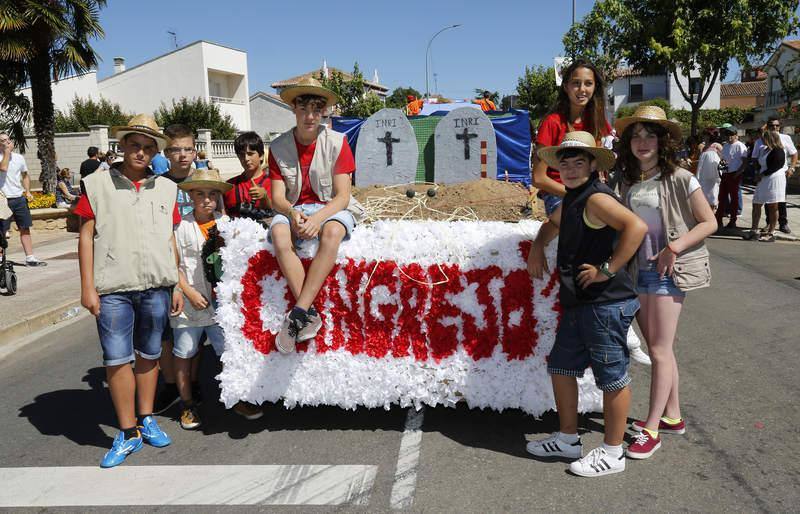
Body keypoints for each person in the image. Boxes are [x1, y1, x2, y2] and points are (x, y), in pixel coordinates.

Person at [526, 131, 647, 477]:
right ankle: (567, 439)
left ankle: (612, 453)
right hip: (582, 303)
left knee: (611, 378)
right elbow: (552, 224)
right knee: (561, 367)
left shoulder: (595, 198)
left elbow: (635, 227)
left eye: (580, 161)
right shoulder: (576, 198)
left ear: (593, 165)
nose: (571, 168)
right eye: (565, 162)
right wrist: (537, 245)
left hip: (605, 303)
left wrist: (607, 269)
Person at [75, 114, 183, 468]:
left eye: (148, 147)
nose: (141, 152)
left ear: (155, 151)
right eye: (134, 145)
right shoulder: (97, 183)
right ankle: (127, 431)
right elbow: (86, 235)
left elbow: (171, 238)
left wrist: (177, 281)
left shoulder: (167, 187)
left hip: (156, 285)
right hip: (113, 288)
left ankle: (147, 417)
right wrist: (88, 287)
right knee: (117, 358)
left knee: (150, 355)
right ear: (121, 147)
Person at [614, 106, 717, 460]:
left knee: (658, 350)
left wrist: (675, 246)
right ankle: (672, 415)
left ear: (662, 141)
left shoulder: (681, 178)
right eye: (637, 135)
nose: (643, 142)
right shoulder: (627, 181)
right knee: (661, 348)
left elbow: (709, 222)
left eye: (650, 135)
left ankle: (651, 429)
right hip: (637, 272)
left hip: (667, 273)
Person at [268, 76, 365, 353]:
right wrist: (292, 212)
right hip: (294, 208)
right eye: (303, 109)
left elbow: (343, 197)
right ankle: (309, 315)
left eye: (316, 109)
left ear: (323, 111)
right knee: (278, 232)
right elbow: (277, 198)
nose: (310, 116)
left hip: (329, 206)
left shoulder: (337, 142)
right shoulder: (277, 147)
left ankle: (298, 313)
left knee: (333, 232)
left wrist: (318, 218)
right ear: (294, 110)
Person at [171, 168, 231, 430]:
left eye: (212, 194)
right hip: (190, 302)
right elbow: (172, 265)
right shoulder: (180, 228)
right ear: (191, 197)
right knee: (185, 352)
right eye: (200, 194)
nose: (207, 200)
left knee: (227, 351)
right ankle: (187, 404)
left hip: (221, 305)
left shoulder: (227, 226)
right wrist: (188, 291)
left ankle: (235, 395)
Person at [152, 124, 198, 416]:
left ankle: (193, 382)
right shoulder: (158, 184)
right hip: (167, 265)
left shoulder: (205, 181)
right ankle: (170, 383)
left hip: (197, 267)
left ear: (195, 150)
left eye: (187, 149)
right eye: (175, 149)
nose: (182, 155)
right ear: (166, 152)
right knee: (167, 332)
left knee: (196, 330)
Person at [532, 59, 612, 217]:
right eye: (576, 83)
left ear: (595, 87)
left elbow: (599, 166)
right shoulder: (552, 123)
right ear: (565, 86)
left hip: (592, 192)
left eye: (588, 83)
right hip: (559, 194)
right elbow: (538, 178)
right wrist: (577, 195)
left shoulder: (597, 120)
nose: (582, 89)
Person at [0, 132, 46, 266]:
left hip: (19, 198)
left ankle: (30, 257)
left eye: (8, 139)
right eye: (3, 140)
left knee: (25, 227)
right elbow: (3, 168)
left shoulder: (19, 158)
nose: (7, 142)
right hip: (3, 199)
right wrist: (7, 152)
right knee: (2, 230)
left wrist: (27, 191)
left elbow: (25, 175)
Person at [752, 117, 797, 234]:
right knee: (768, 202)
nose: (775, 128)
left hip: (779, 173)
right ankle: (769, 223)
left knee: (780, 201)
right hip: (765, 174)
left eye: (777, 125)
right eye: (772, 126)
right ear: (768, 126)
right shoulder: (761, 140)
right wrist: (757, 172)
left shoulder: (786, 138)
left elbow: (794, 153)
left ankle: (783, 223)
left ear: (780, 126)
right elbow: (755, 158)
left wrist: (792, 168)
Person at [745, 129, 786, 242]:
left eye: (764, 138)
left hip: (774, 179)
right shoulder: (764, 149)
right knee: (756, 203)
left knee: (773, 206)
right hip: (763, 179)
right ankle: (754, 230)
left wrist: (762, 174)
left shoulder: (778, 151)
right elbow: (759, 162)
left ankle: (771, 232)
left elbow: (776, 166)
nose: (762, 140)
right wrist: (758, 172)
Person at [223, 132, 272, 218]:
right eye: (242, 155)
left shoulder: (274, 183)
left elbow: (280, 212)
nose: (246, 159)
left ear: (261, 156)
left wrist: (265, 198)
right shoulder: (229, 186)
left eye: (250, 154)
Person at [717, 124, 748, 229]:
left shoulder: (740, 146)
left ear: (736, 135)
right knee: (722, 198)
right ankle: (719, 219)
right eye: (727, 134)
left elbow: (744, 162)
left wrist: (737, 173)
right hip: (726, 174)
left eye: (731, 134)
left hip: (734, 174)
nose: (729, 136)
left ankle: (733, 220)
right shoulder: (725, 146)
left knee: (734, 198)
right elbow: (724, 160)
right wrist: (722, 171)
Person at [696, 143, 723, 211]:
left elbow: (699, 168)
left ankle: (710, 209)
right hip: (713, 177)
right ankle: (713, 208)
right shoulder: (715, 154)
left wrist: (697, 177)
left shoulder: (704, 154)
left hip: (706, 177)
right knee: (714, 193)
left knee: (708, 194)